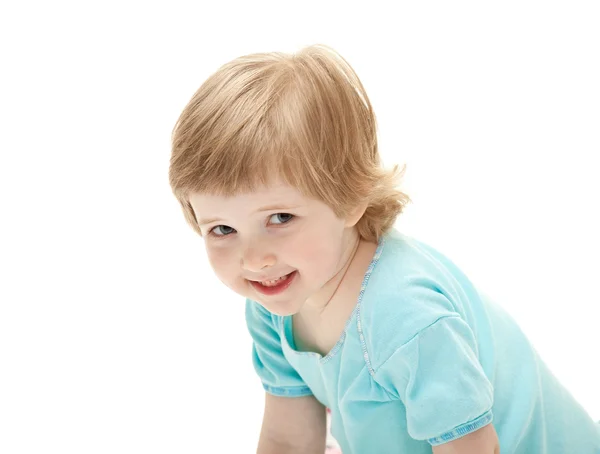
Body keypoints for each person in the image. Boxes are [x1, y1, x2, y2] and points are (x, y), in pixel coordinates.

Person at [168, 44, 600, 453]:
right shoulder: (273, 300)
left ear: (350, 197)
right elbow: (288, 440)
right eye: (222, 229)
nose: (254, 259)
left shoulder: (407, 320)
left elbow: (473, 447)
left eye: (280, 218)